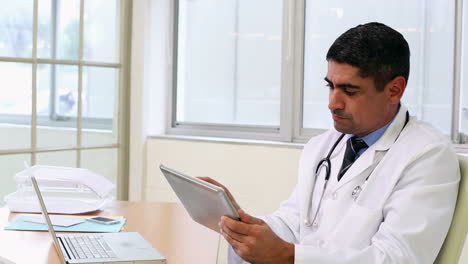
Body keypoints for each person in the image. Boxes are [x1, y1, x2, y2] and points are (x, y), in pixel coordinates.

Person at [201, 22, 460, 263]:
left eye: (349, 91)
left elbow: (396, 258)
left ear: (394, 90)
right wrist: (248, 228)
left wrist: (290, 256)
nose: (333, 103)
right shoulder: (323, 146)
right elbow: (293, 223)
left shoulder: (428, 156)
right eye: (330, 86)